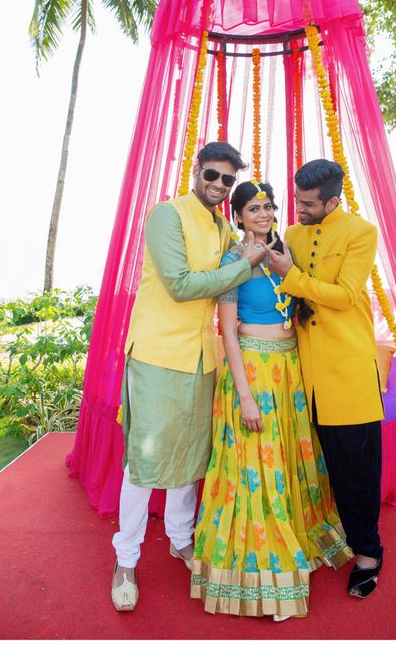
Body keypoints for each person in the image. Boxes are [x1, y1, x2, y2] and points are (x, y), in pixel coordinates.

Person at [111, 142, 269, 612]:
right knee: (145, 463)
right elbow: (179, 285)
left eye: (227, 180)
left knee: (189, 459)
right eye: (212, 175)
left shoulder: (223, 226)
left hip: (203, 357)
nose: (219, 186)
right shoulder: (167, 214)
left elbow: (239, 272)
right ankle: (125, 559)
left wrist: (257, 253)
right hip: (159, 354)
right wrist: (246, 265)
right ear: (196, 170)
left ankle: (181, 539)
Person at [190, 180, 351, 619]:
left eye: (269, 206)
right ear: (238, 215)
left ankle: (302, 537)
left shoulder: (284, 254)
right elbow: (227, 330)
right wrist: (244, 396)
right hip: (255, 375)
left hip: (289, 372)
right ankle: (261, 569)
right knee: (257, 467)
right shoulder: (232, 260)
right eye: (254, 208)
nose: (263, 214)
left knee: (287, 461)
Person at [265, 159, 386, 599]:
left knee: (357, 471)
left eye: (309, 203)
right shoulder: (293, 234)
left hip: (346, 373)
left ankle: (369, 552)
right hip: (301, 377)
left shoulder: (360, 232)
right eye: (296, 199)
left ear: (333, 200)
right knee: (324, 470)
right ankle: (331, 536)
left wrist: (291, 276)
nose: (299, 208)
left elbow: (346, 295)